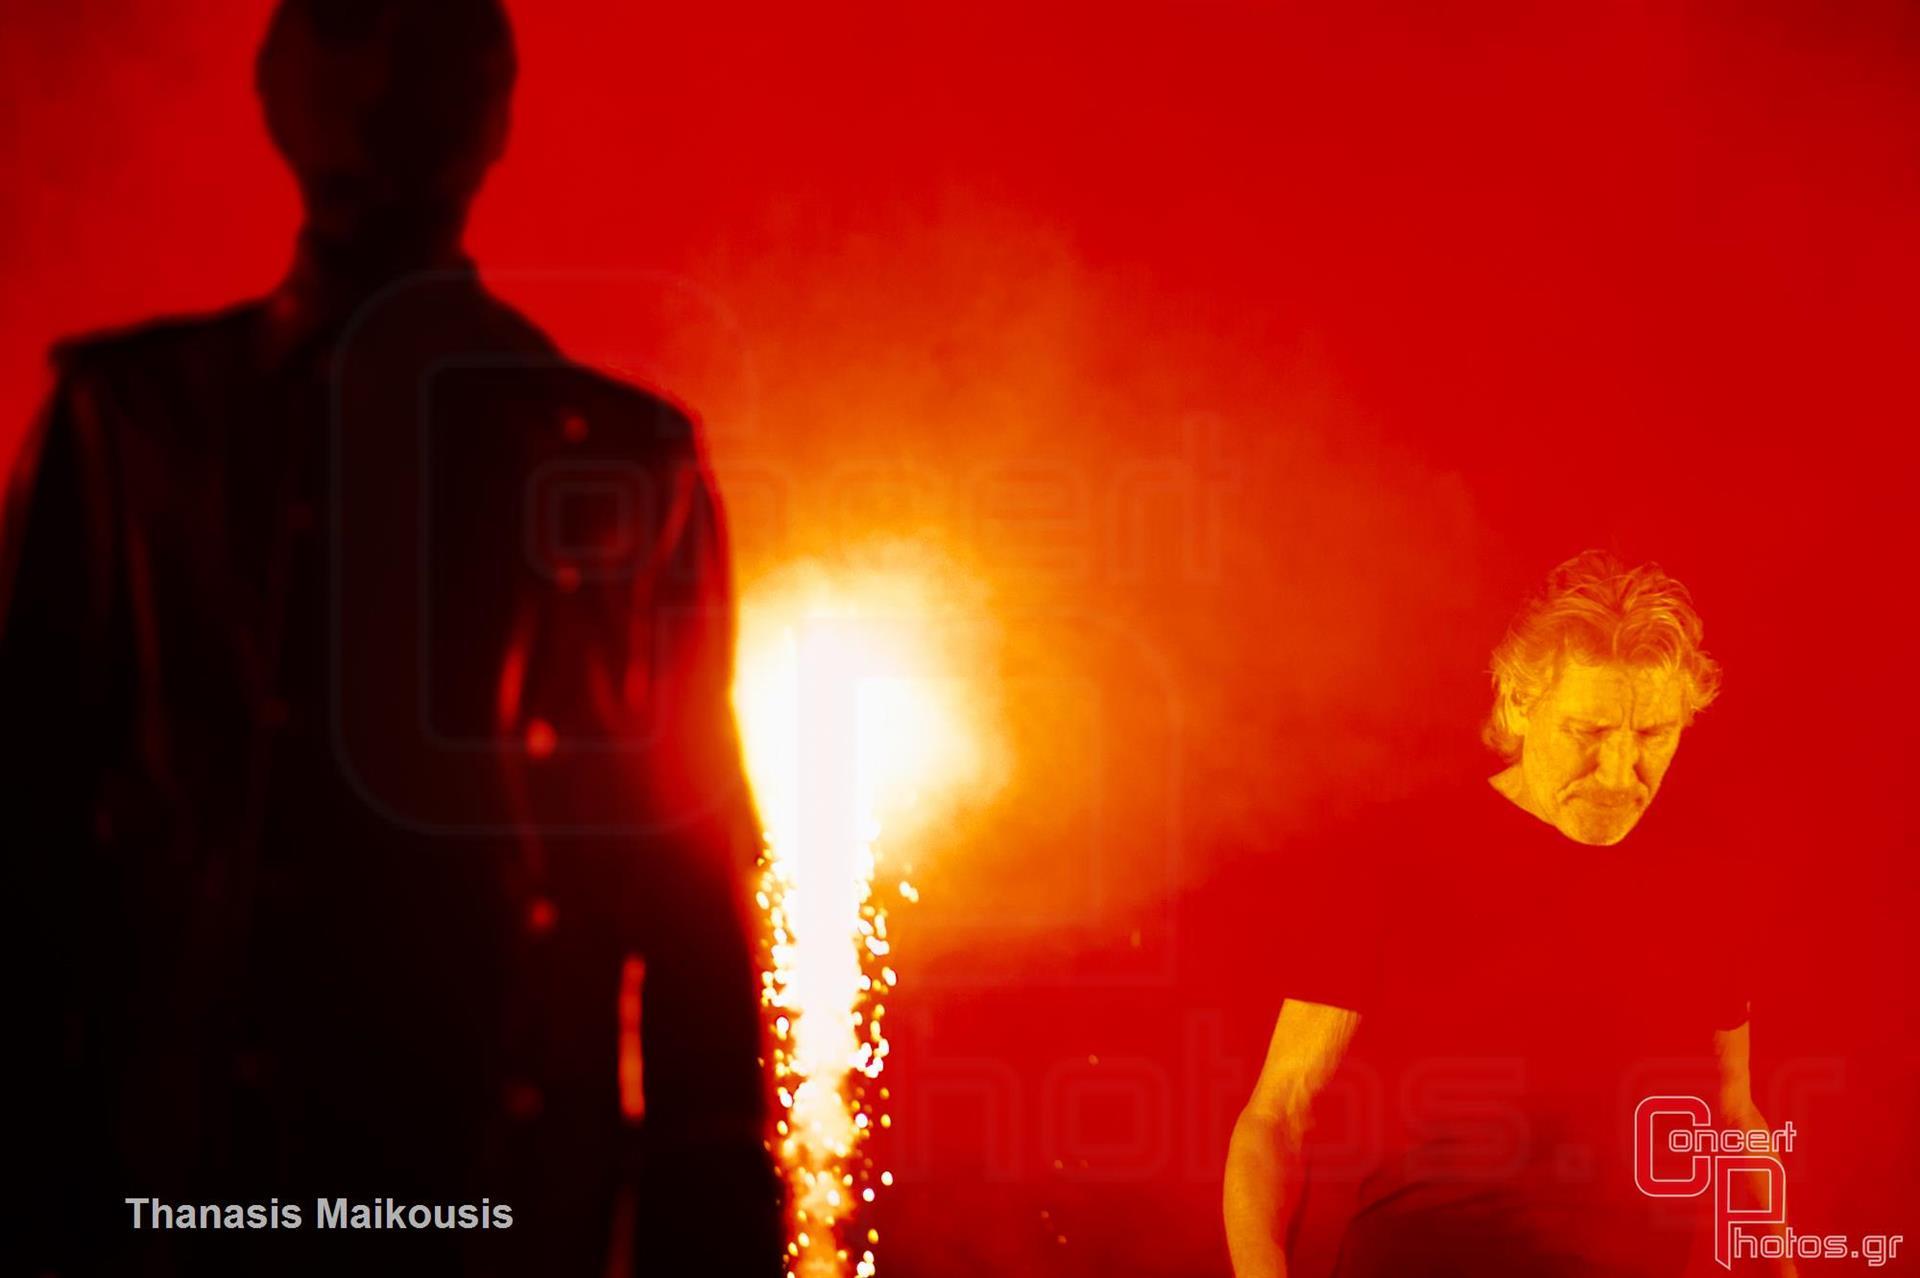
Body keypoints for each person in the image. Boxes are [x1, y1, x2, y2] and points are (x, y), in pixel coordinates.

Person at [1, 2, 781, 1274]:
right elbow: (25, 843)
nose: (390, 87)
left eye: (437, 42)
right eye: (352, 28)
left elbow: (690, 886)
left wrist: (709, 1202)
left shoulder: (624, 461)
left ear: (495, 104)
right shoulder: (127, 428)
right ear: (274, 82)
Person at [1223, 551, 1789, 1277]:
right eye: (1588, 733)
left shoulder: (1707, 877)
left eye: (1652, 735)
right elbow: (1278, 1116)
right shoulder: (1396, 856)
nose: (1620, 775)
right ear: (1520, 704)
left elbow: (1734, 1118)